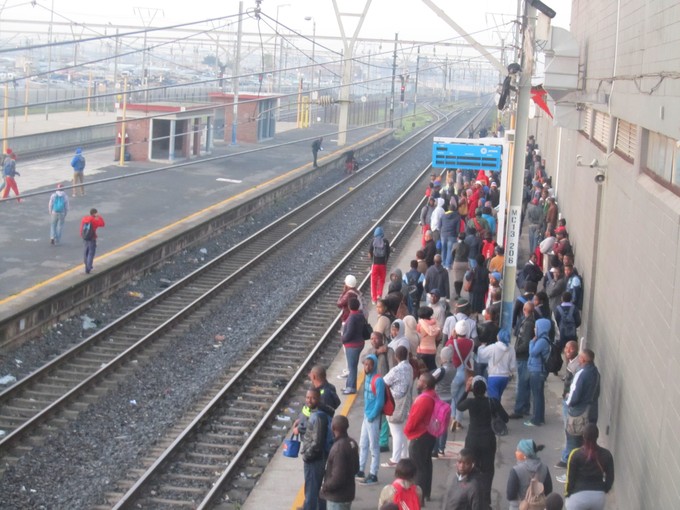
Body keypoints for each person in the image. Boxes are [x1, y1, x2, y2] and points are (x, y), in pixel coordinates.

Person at [457, 377, 508, 507]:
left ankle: (470, 497)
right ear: (485, 390)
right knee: (488, 470)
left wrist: (466, 391)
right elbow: (505, 418)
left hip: (472, 440)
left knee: (469, 468)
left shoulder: (470, 402)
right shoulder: (492, 402)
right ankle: (485, 500)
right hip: (488, 440)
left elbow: (459, 406)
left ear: (473, 390)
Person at [558, 424, 614, 509]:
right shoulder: (606, 454)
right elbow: (610, 478)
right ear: (597, 436)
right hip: (598, 497)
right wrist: (604, 490)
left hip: (578, 497)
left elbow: (570, 479)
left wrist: (568, 495)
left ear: (583, 436)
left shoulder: (575, 454)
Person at [563, 349, 600, 467]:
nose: (578, 359)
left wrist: (568, 400)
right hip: (592, 411)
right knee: (587, 443)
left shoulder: (582, 374)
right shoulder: (596, 373)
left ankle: (569, 465)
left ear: (583, 359)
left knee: (573, 442)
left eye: (580, 357)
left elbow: (574, 396)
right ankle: (586, 467)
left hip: (579, 414)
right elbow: (597, 392)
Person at [404, 372, 437, 502]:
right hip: (430, 434)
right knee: (426, 464)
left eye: (420, 381)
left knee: (418, 468)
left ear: (425, 384)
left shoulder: (422, 400)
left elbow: (413, 420)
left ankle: (419, 497)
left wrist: (407, 432)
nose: (418, 382)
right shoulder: (433, 396)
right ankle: (426, 493)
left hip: (419, 436)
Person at [297, 388, 331, 510]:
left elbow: (316, 444)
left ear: (319, 399)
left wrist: (307, 455)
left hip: (314, 460)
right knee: (317, 492)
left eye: (313, 398)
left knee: (311, 493)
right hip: (318, 459)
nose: (309, 400)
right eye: (307, 397)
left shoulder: (317, 417)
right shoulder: (318, 413)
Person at [382, 346, 413, 467]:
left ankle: (395, 459)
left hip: (396, 403)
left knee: (396, 432)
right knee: (402, 431)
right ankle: (404, 455)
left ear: (396, 356)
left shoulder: (396, 370)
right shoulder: (409, 367)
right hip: (406, 402)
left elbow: (384, 381)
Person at [320, 415, 360, 510]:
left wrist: (325, 487)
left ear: (333, 428)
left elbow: (337, 478)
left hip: (337, 498)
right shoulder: (352, 443)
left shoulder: (338, 448)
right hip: (348, 493)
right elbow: (356, 468)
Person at [356, 354, 385, 485]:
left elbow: (380, 401)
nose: (366, 367)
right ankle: (361, 469)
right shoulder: (367, 377)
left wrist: (372, 415)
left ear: (374, 365)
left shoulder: (378, 380)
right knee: (363, 444)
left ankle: (374, 473)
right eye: (365, 364)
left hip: (372, 417)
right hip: (367, 416)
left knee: (374, 446)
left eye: (369, 364)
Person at [556, 341, 582, 469]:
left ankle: (567, 458)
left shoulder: (575, 366)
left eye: (566, 348)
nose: (565, 351)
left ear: (571, 350)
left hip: (569, 402)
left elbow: (573, 385)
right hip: (568, 400)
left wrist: (567, 397)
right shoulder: (573, 363)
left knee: (569, 430)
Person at [507, 439, 553, 510]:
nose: (516, 452)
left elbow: (510, 495)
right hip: (538, 507)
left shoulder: (516, 470)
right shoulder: (544, 468)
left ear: (524, 454)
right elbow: (548, 490)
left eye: (518, 451)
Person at [446, 320, 475, 432]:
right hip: (466, 374)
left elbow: (446, 349)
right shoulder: (471, 343)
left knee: (452, 397)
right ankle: (458, 421)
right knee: (461, 398)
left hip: (455, 373)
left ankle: (452, 418)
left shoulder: (452, 343)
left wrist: (451, 337)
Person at [510, 301, 535, 419]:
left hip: (523, 357)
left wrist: (515, 351)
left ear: (525, 310)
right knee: (524, 384)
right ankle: (525, 407)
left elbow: (525, 342)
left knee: (521, 384)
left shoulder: (527, 324)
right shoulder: (529, 321)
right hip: (524, 357)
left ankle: (519, 409)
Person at [476, 329, 516, 400]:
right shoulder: (511, 349)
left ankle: (494, 411)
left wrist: (482, 346)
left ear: (499, 337)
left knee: (493, 401)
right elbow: (513, 366)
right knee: (498, 398)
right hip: (505, 378)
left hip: (493, 377)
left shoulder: (493, 347)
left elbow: (481, 354)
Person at [525, 318, 551, 427]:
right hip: (538, 371)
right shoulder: (545, 339)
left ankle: (536, 419)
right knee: (539, 395)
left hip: (536, 371)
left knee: (536, 396)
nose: (535, 329)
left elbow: (533, 352)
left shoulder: (541, 341)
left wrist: (531, 342)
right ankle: (540, 418)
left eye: (536, 327)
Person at [340, 297, 369, 395]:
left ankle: (351, 388)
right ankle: (348, 385)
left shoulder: (352, 317)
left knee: (352, 367)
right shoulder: (360, 315)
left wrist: (343, 339)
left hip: (352, 345)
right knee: (352, 366)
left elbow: (350, 333)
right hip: (359, 343)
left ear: (349, 306)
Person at [431, 345, 455, 457]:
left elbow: (430, 379)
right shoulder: (453, 368)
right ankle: (442, 448)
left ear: (443, 357)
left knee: (436, 424)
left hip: (438, 398)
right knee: (444, 424)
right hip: (448, 398)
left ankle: (434, 449)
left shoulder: (441, 370)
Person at [369, 227, 391, 304]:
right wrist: (385, 261)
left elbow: (370, 253)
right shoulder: (386, 241)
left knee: (373, 281)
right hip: (383, 265)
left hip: (375, 264)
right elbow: (388, 253)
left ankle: (374, 299)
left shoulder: (373, 241)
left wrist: (373, 259)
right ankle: (379, 295)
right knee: (381, 280)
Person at [80, 208, 105, 274]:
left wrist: (82, 235)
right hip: (92, 237)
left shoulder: (84, 219)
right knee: (91, 253)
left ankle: (86, 265)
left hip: (85, 237)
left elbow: (81, 227)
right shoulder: (94, 220)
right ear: (94, 213)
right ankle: (88, 268)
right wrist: (99, 217)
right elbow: (102, 224)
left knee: (86, 252)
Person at [416, 307, 441, 371]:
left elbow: (417, 337)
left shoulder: (419, 325)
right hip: (432, 350)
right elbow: (438, 337)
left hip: (421, 350)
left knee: (422, 370)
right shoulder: (435, 324)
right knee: (432, 369)